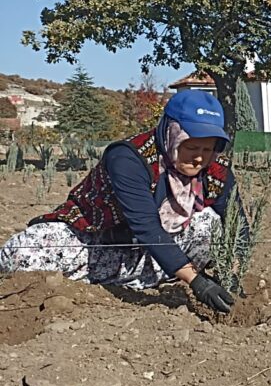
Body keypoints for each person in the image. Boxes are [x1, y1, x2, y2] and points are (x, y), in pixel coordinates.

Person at [0, 90, 244, 313]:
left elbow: (237, 221)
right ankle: (141, 274)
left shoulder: (215, 168)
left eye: (208, 148)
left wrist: (233, 270)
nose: (199, 157)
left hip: (154, 248)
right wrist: (196, 281)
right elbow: (146, 226)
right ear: (171, 133)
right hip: (95, 239)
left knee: (210, 223)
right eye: (191, 146)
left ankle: (147, 274)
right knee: (21, 255)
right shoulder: (130, 158)